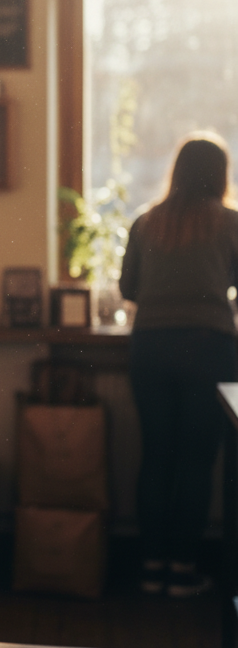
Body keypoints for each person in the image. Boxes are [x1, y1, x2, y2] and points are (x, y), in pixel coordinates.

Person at [119, 132, 238, 597]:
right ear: (220, 174)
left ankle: (150, 566)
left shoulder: (147, 222)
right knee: (196, 460)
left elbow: (129, 290)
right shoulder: (229, 223)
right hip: (208, 346)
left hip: (150, 346)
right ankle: (184, 570)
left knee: (156, 455)